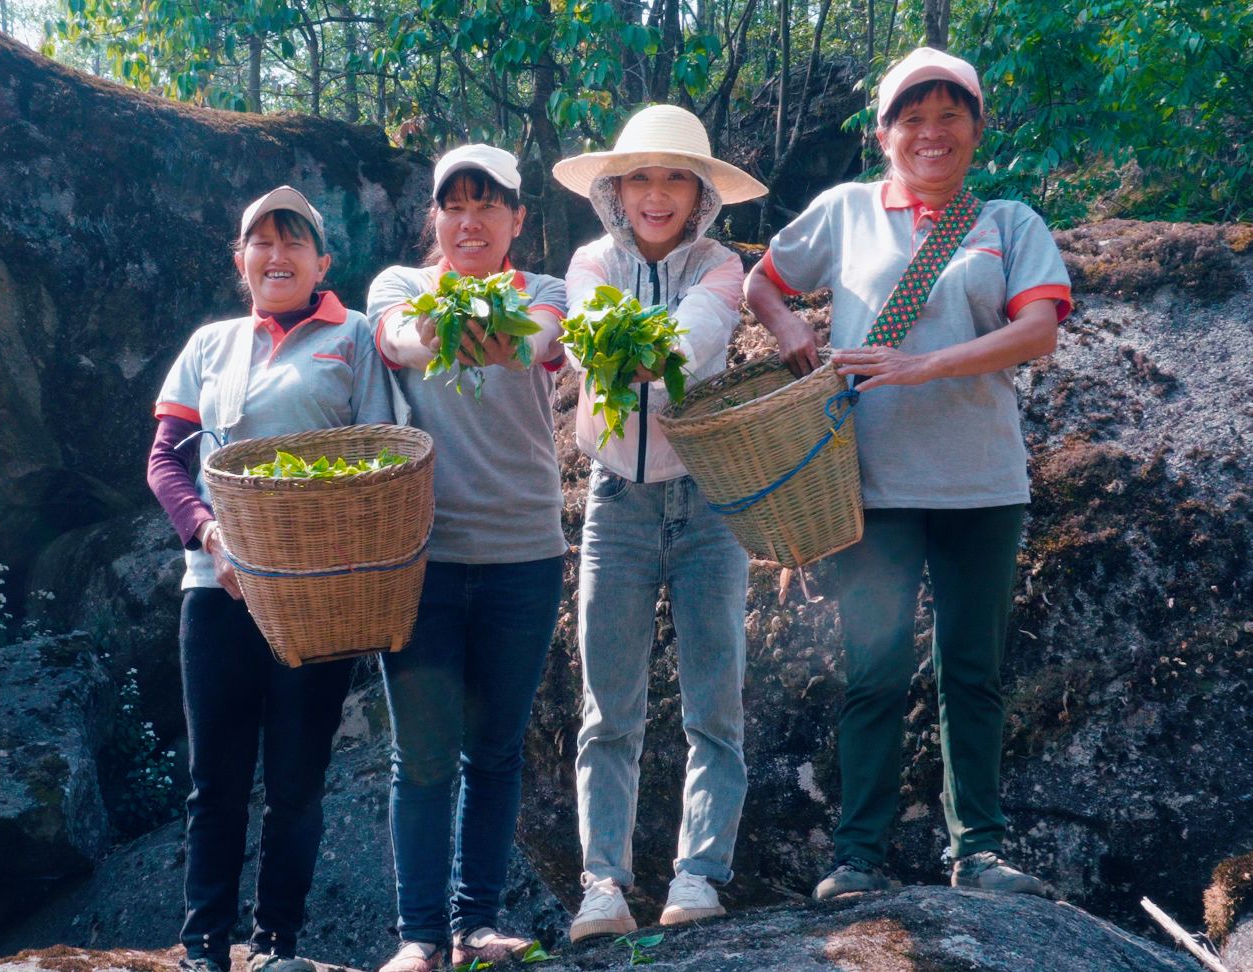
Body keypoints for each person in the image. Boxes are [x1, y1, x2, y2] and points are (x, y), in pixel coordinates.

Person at [743, 47, 1073, 901]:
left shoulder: (1006, 223)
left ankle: (979, 853)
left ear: (974, 128)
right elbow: (761, 281)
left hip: (980, 483)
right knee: (874, 670)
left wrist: (922, 366)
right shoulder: (845, 211)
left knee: (971, 669)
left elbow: (1037, 329)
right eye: (912, 119)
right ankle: (858, 858)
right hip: (874, 487)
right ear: (885, 133)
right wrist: (789, 333)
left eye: (949, 116)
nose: (931, 134)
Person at [147, 186, 393, 972]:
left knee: (295, 780)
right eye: (261, 242)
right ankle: (203, 947)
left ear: (323, 262)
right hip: (213, 588)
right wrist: (210, 535)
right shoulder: (210, 344)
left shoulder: (352, 337)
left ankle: (277, 944)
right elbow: (166, 459)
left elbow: (382, 455)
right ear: (240, 261)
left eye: (294, 243)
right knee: (214, 779)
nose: (276, 256)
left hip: (314, 596)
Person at [549, 104, 770, 942]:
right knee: (609, 708)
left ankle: (697, 876)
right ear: (614, 190)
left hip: (708, 500)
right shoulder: (589, 262)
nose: (656, 193)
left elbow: (692, 339)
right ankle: (601, 885)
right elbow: (585, 346)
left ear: (700, 192)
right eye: (639, 176)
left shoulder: (722, 264)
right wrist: (624, 351)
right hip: (617, 503)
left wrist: (630, 351)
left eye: (674, 176)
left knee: (714, 704)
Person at [364, 145, 568, 972]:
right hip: (420, 557)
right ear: (434, 219)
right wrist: (466, 330)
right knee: (420, 753)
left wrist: (489, 331)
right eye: (454, 205)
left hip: (524, 549)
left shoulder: (546, 291)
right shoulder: (398, 285)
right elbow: (399, 343)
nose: (469, 220)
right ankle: (418, 937)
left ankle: (474, 923)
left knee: (494, 747)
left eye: (488, 205)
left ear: (517, 220)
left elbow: (539, 341)